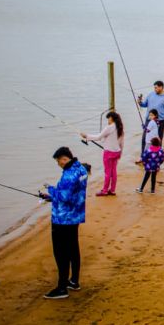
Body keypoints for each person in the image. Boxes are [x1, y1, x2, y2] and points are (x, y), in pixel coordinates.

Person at [39, 147, 88, 299]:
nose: (58, 164)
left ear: (65, 158)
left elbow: (64, 196)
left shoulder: (68, 175)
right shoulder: (81, 169)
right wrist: (53, 194)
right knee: (73, 248)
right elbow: (70, 193)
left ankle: (61, 288)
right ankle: (74, 281)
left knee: (61, 253)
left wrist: (50, 191)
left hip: (63, 219)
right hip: (75, 215)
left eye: (59, 161)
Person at [81, 111, 123, 197]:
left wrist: (86, 136)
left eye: (108, 118)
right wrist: (120, 153)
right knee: (113, 171)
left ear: (111, 118)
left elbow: (98, 137)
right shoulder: (119, 127)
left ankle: (104, 191)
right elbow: (121, 142)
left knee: (107, 172)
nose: (108, 120)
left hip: (109, 153)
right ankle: (112, 190)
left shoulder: (110, 127)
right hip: (117, 152)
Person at [137, 81, 164, 152]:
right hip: (149, 120)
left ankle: (157, 155)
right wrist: (140, 102)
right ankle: (143, 156)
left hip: (161, 121)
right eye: (154, 87)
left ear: (161, 87)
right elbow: (144, 104)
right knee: (145, 138)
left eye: (156, 88)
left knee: (158, 139)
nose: (155, 89)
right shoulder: (151, 94)